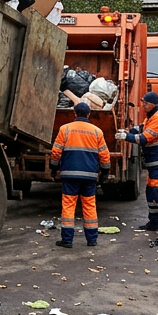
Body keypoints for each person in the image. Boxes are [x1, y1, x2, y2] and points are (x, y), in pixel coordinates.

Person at [50, 102, 111, 248]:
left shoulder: (65, 129)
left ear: (74, 113)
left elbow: (56, 151)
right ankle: (92, 239)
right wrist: (105, 172)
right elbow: (105, 155)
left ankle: (67, 240)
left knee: (69, 206)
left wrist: (53, 167)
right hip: (89, 176)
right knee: (89, 206)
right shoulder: (97, 132)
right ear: (89, 114)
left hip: (69, 175)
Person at [117, 91, 158, 234]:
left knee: (157, 191)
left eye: (145, 103)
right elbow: (142, 128)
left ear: (152, 104)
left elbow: (145, 138)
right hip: (156, 161)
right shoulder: (152, 116)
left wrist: (126, 137)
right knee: (151, 192)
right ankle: (154, 222)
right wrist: (128, 130)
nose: (143, 105)